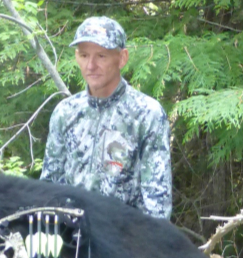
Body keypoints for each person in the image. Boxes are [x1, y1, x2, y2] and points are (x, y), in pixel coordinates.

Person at [40, 16, 172, 219]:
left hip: (123, 242)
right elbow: (48, 190)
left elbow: (157, 204)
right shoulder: (65, 113)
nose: (90, 65)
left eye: (101, 56)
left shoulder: (146, 114)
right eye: (84, 55)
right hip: (71, 242)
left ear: (122, 58)